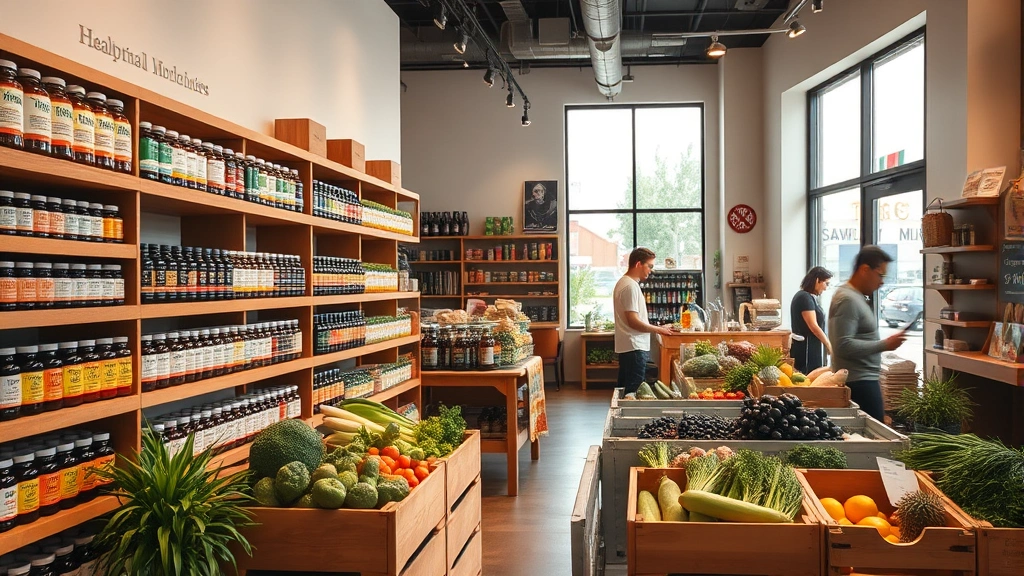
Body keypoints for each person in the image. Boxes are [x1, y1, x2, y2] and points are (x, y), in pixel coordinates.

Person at [827, 246, 906, 420]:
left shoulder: (855, 297)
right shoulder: (847, 299)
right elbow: (842, 346)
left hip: (864, 381)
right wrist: (885, 344)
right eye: (880, 275)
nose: (882, 282)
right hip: (859, 384)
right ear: (864, 269)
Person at [614, 247, 675, 394]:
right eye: (649, 266)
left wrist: (658, 326)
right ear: (638, 264)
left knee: (624, 391)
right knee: (633, 392)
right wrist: (658, 330)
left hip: (628, 346)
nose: (651, 270)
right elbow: (633, 321)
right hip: (634, 347)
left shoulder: (624, 283)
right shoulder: (630, 287)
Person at [790, 266, 834, 373]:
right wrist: (828, 344)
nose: (826, 288)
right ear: (817, 280)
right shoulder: (804, 298)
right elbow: (813, 326)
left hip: (811, 348)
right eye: (826, 284)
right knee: (808, 379)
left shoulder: (808, 297)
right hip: (806, 351)